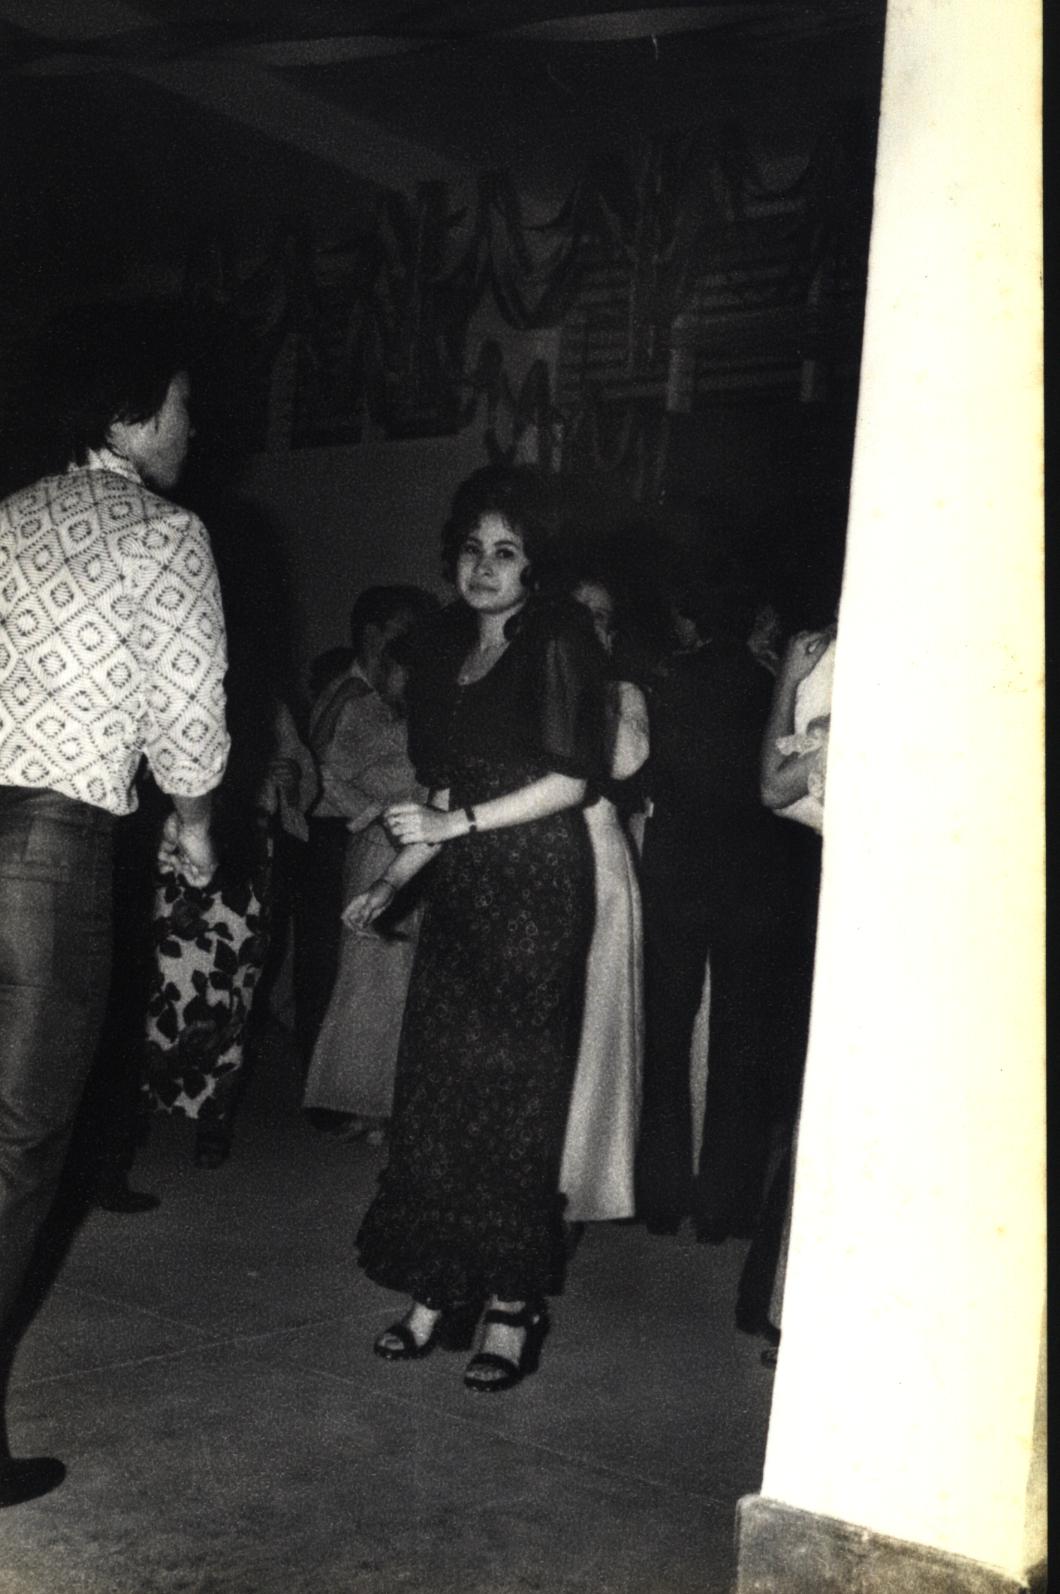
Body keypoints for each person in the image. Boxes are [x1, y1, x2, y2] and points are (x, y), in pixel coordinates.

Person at [0, 302, 229, 1506]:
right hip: (54, 849)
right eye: (182, 404)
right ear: (130, 412)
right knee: (18, 1143)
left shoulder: (6, 518)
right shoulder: (163, 534)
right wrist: (196, 830)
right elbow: (188, 719)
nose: (193, 426)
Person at [348, 465, 606, 1393]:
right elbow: (444, 788)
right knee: (439, 1096)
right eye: (472, 549)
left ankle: (509, 1304)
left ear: (536, 565)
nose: (484, 567)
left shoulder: (558, 640)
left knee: (511, 1102)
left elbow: (573, 780)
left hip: (535, 891)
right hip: (463, 893)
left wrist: (454, 827)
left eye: (506, 551)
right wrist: (393, 880)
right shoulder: (447, 647)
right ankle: (437, 1287)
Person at [636, 582, 802, 1241]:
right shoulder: (771, 682)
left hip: (677, 872)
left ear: (690, 616)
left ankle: (660, 1198)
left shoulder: (670, 678)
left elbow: (649, 774)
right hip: (754, 879)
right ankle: (723, 1209)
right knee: (741, 1040)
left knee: (665, 1035)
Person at [303, 592, 438, 1140]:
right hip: (381, 853)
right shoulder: (362, 711)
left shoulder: (423, 720)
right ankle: (363, 1103)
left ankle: (394, 1104)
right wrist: (372, 815)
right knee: (371, 981)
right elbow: (323, 774)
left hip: (422, 852)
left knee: (406, 983)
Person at [558, 571, 647, 1224]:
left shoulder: (623, 694)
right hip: (529, 858)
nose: (590, 625)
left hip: (597, 860)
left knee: (594, 1022)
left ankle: (579, 1181)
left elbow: (621, 762)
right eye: (578, 612)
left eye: (602, 617)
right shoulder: (526, 677)